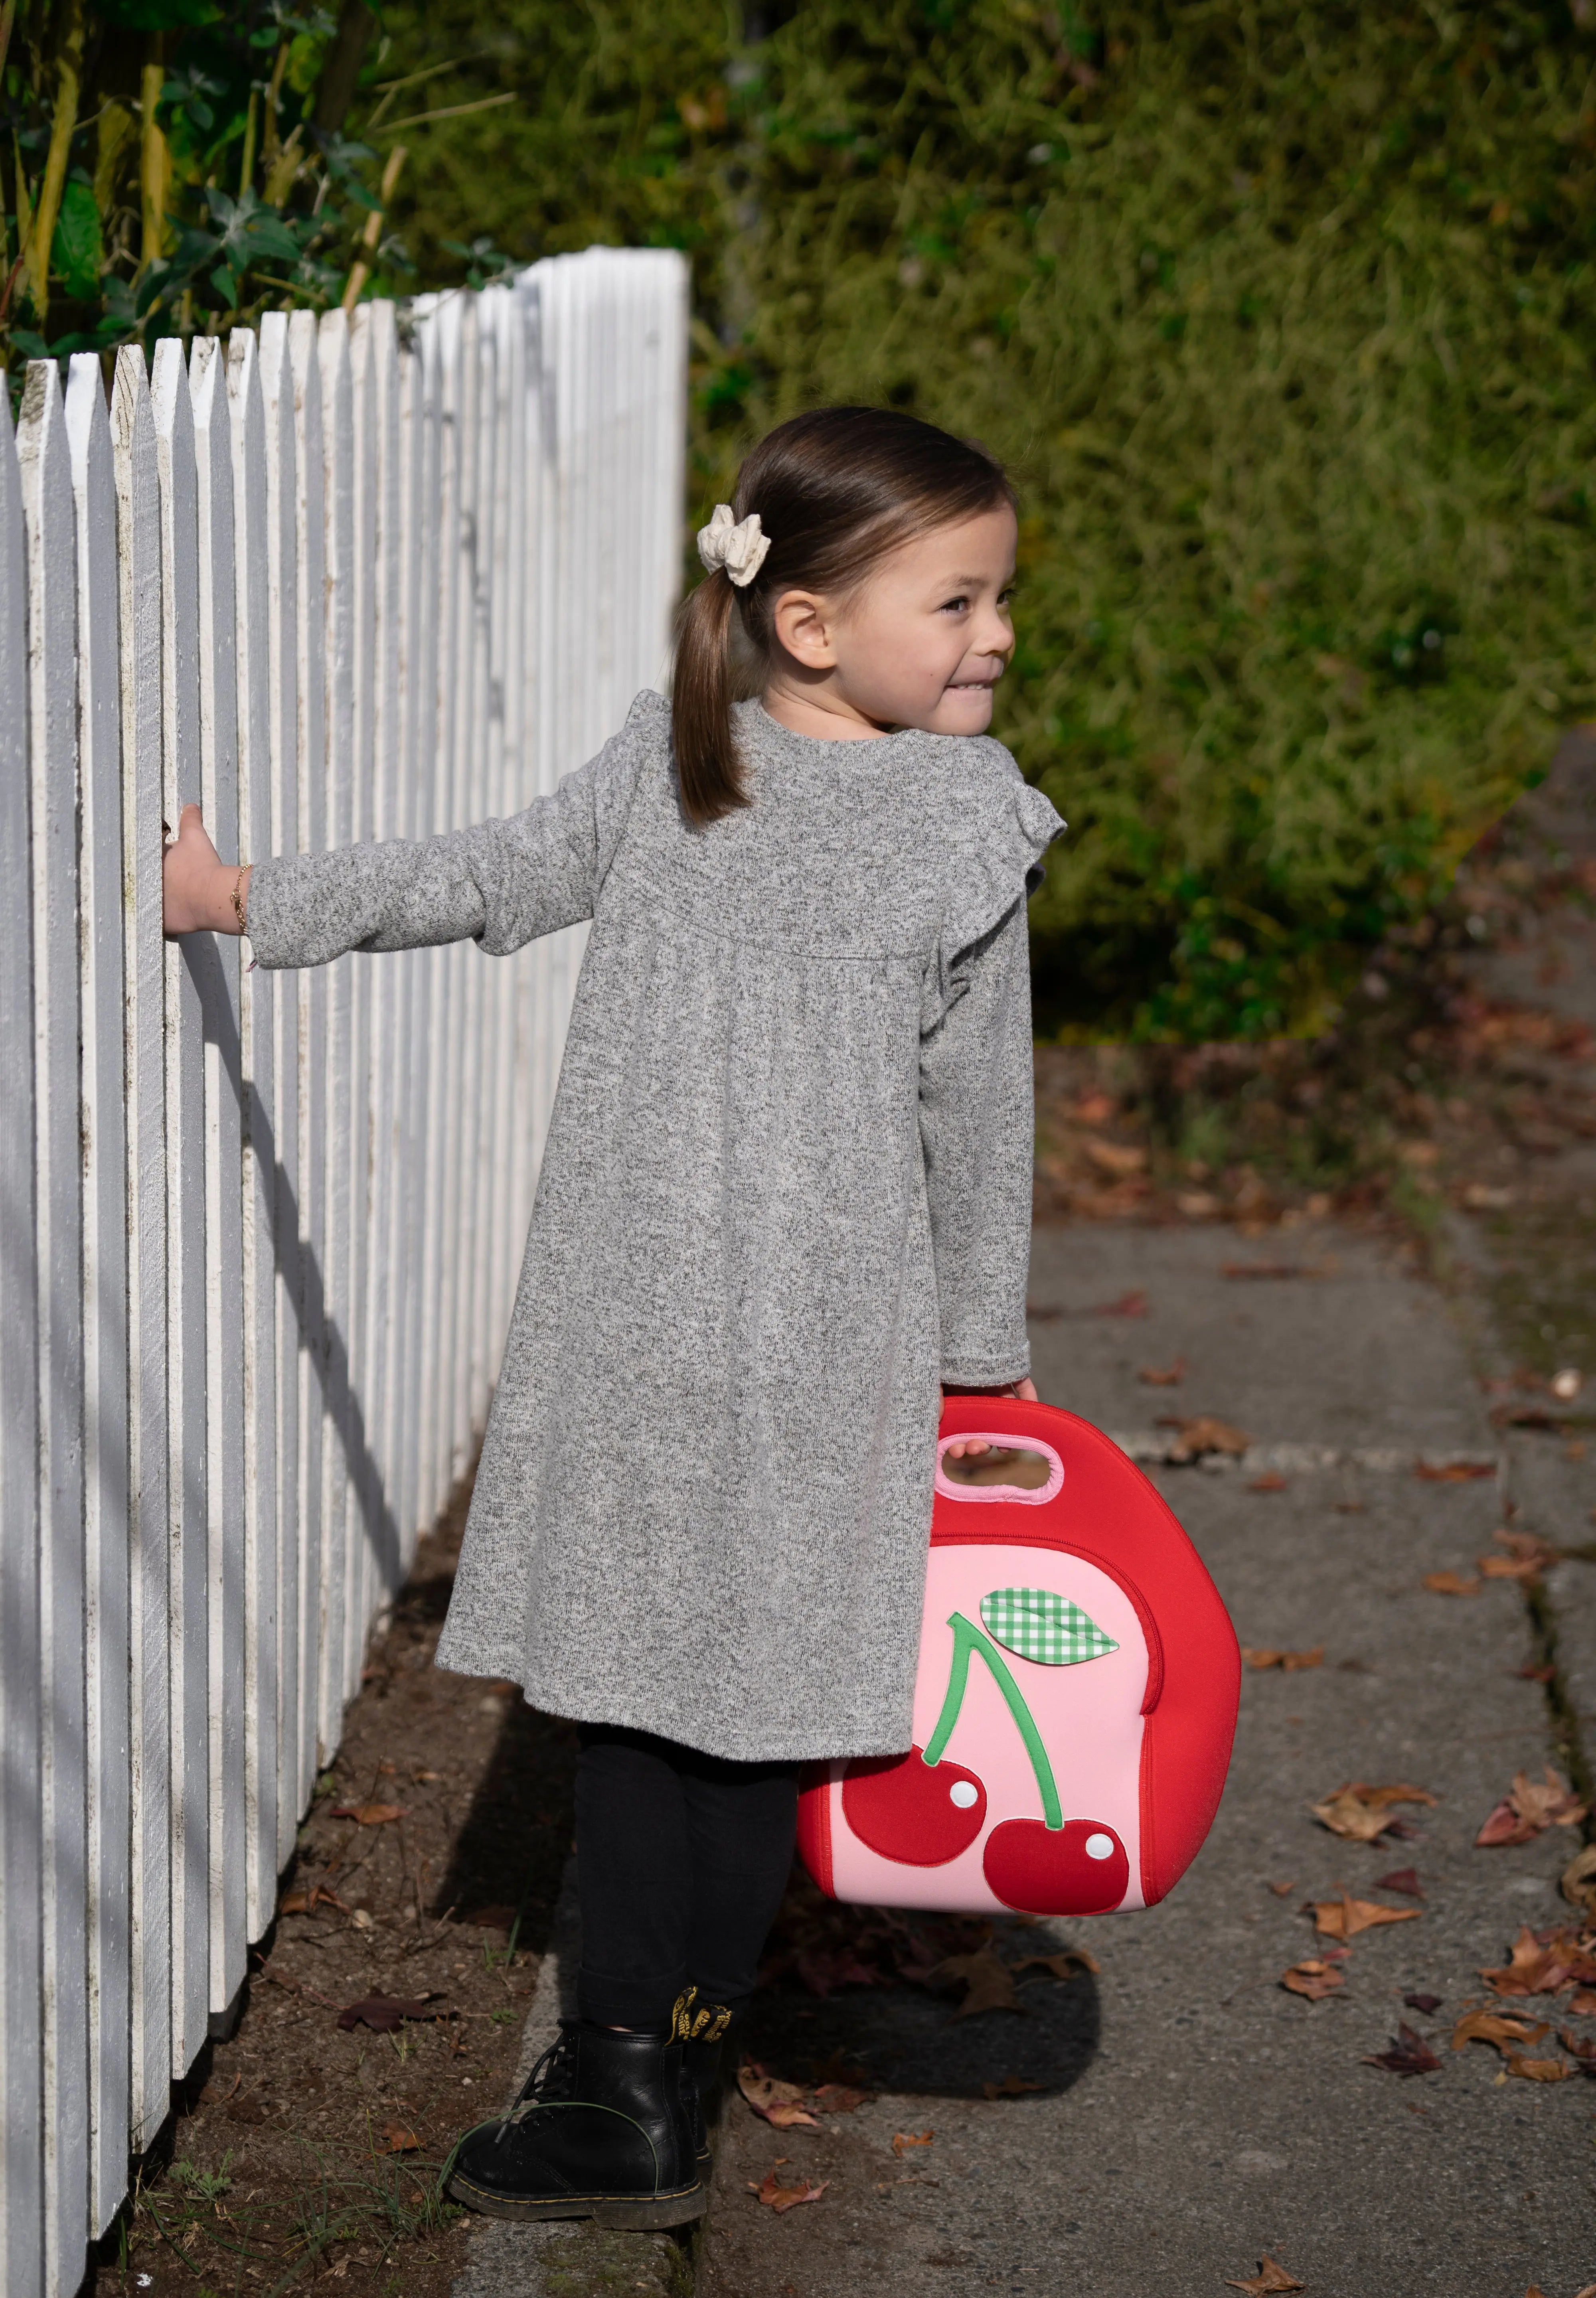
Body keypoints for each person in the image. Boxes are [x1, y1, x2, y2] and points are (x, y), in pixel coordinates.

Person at [163, 405, 1063, 2231]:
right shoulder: (677, 767)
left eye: (997, 600)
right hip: (678, 1338)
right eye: (958, 601)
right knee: (682, 1712)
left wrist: (985, 1358)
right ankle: (643, 2076)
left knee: (698, 1715)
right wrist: (253, 900)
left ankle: (634, 2084)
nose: (998, 636)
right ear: (807, 622)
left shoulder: (969, 817)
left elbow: (983, 1109)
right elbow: (491, 877)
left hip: (792, 1339)